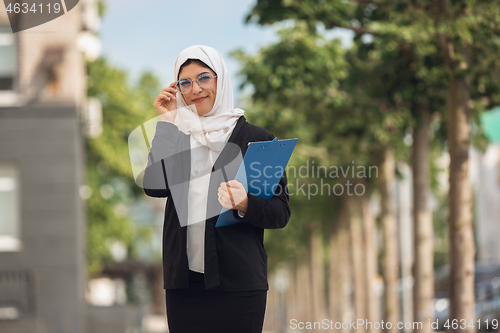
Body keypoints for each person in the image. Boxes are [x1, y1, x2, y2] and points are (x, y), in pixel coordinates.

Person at [142, 45, 291, 333]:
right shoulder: (179, 137)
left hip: (239, 285)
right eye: (185, 82)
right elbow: (154, 186)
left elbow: (280, 212)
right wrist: (166, 123)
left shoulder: (256, 140)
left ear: (220, 80)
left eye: (204, 78)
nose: (195, 88)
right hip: (184, 286)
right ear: (178, 89)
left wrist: (245, 202)